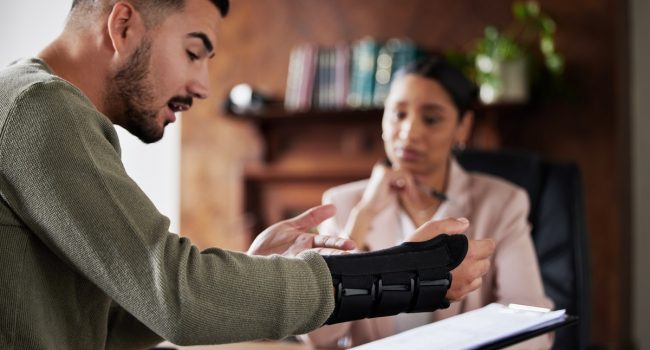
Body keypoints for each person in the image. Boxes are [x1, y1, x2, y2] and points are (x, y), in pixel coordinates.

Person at [0, 1, 496, 349]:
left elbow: (113, 321)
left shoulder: (36, 107)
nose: (202, 85)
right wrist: (414, 273)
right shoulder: (39, 109)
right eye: (195, 52)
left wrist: (252, 265)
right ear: (123, 25)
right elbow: (176, 296)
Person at [303, 55, 553, 348]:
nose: (409, 132)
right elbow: (318, 337)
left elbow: (531, 327)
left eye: (431, 119)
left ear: (463, 127)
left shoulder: (503, 203)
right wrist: (364, 215)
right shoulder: (343, 204)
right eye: (398, 114)